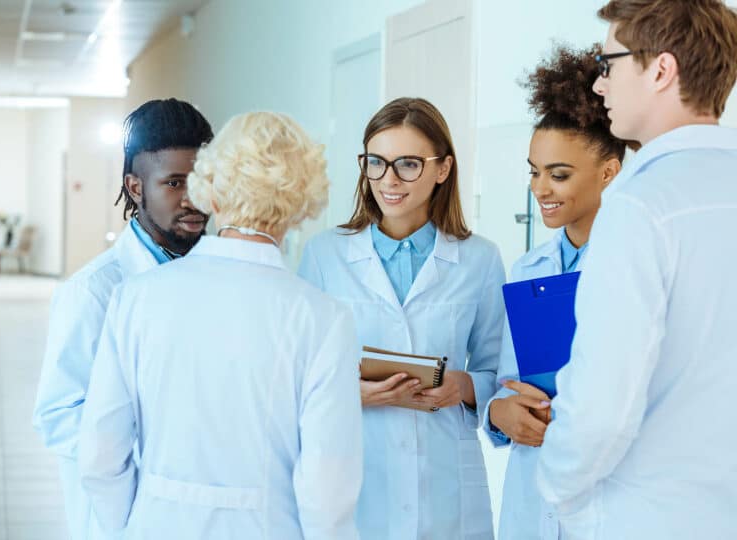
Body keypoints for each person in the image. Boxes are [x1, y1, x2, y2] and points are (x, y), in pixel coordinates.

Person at [78, 111, 364, 539]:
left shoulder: (136, 298)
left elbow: (100, 455)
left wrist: (134, 524)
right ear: (304, 205)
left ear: (209, 189)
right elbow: (327, 489)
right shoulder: (322, 319)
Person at [535, 2, 737, 539]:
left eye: (609, 67)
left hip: (641, 518)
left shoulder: (640, 206)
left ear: (661, 70)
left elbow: (602, 409)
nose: (599, 88)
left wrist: (556, 489)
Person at [298, 97, 505, 539]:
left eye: (408, 164)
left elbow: (498, 370)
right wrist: (354, 393)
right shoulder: (324, 254)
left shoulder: (480, 260)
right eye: (376, 162)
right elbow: (299, 377)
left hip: (447, 488)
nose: (388, 180)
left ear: (443, 169)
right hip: (356, 483)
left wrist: (461, 387)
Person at [33, 98, 213, 539]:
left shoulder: (222, 273)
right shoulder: (94, 292)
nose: (194, 200)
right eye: (174, 183)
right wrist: (155, 450)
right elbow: (58, 415)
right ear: (135, 187)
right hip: (128, 512)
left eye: (205, 181)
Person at [481, 44, 627, 540]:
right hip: (532, 498)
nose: (540, 188)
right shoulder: (527, 270)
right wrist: (500, 415)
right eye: (534, 170)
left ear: (608, 172)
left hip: (606, 500)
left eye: (558, 175)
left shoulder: (636, 262)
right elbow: (508, 383)